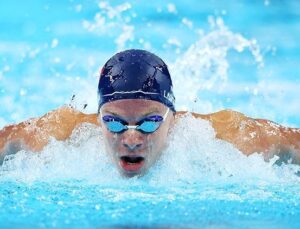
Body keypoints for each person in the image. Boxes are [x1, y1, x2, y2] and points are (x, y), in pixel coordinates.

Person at [0, 49, 299, 177]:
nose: (131, 138)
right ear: (98, 118)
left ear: (173, 116)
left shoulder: (221, 137)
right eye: (114, 123)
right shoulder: (59, 136)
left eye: (150, 122)